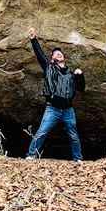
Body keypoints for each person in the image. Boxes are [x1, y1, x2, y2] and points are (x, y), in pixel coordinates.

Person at [26, 28, 85, 162]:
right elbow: (39, 54)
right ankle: (31, 155)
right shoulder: (49, 68)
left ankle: (78, 159)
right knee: (42, 132)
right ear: (52, 58)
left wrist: (80, 76)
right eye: (55, 53)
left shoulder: (71, 74)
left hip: (68, 110)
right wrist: (33, 39)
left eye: (60, 53)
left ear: (63, 57)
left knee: (73, 135)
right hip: (52, 108)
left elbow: (81, 89)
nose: (58, 54)